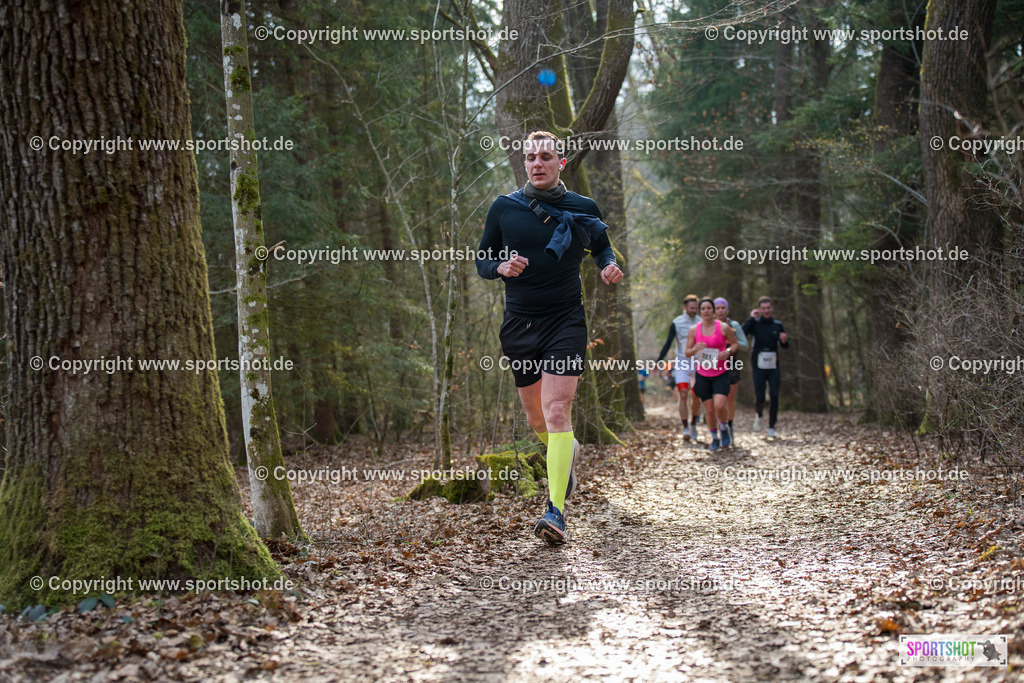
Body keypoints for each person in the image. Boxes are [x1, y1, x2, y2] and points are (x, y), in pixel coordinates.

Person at [476, 130, 623, 545]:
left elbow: (603, 248)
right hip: (520, 324)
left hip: (565, 321)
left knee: (557, 411)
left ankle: (555, 510)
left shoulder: (583, 206)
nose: (536, 163)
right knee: (536, 420)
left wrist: (607, 267)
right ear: (523, 163)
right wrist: (500, 267)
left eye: (545, 156)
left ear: (560, 162)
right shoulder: (505, 208)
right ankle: (568, 453)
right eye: (530, 157)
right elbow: (482, 258)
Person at [685, 298, 740, 451]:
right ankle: (714, 438)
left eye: (709, 308)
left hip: (721, 373)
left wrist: (727, 352)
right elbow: (687, 352)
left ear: (713, 310)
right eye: (703, 309)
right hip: (702, 374)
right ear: (700, 311)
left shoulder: (723, 327)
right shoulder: (694, 330)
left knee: (719, 405)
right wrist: (695, 349)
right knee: (709, 410)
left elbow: (735, 344)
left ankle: (724, 428)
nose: (706, 311)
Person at [656, 294, 702, 441]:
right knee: (683, 394)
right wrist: (659, 361)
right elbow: (668, 342)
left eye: (696, 308)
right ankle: (685, 428)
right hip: (682, 362)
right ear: (685, 307)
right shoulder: (677, 322)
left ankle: (694, 423)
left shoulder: (701, 322)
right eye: (692, 308)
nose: (694, 310)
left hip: (698, 363)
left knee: (696, 396)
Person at [742, 297, 790, 437]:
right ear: (759, 309)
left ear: (772, 308)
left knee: (774, 394)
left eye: (768, 308)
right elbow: (743, 332)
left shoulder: (777, 325)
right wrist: (751, 318)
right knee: (760, 396)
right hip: (758, 365)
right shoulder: (755, 324)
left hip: (773, 365)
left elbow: (785, 345)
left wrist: (784, 341)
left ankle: (771, 426)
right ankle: (759, 413)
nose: (766, 310)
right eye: (763, 308)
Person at [714, 298, 748, 435]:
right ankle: (720, 426)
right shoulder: (710, 326)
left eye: (723, 307)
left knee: (730, 398)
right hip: (714, 365)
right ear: (714, 311)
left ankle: (730, 425)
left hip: (732, 363)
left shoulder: (734, 325)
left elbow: (745, 345)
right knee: (717, 399)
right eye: (718, 308)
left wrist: (731, 340)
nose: (720, 310)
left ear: (727, 310)